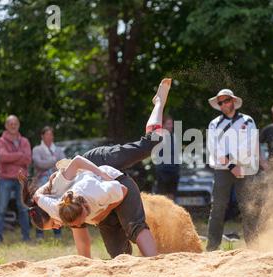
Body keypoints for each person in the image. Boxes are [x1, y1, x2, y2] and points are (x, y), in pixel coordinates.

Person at [20, 78, 172, 258]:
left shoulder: (57, 191)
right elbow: (82, 242)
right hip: (92, 188)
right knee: (115, 242)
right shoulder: (64, 211)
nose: (57, 227)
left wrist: (100, 173)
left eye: (52, 224)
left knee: (149, 146)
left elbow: (77, 162)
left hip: (93, 164)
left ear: (49, 209)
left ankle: (159, 102)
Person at [206, 88, 259, 251]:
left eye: (226, 101)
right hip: (223, 169)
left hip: (245, 168)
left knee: (248, 207)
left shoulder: (248, 121)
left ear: (233, 101)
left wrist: (236, 162)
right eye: (220, 102)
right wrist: (231, 165)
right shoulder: (214, 124)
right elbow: (214, 148)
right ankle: (212, 248)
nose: (223, 104)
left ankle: (254, 247)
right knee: (218, 208)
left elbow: (250, 144)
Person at [0, 115, 32, 243]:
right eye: (10, 123)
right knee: (1, 208)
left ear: (18, 125)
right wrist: (20, 155)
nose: (13, 125)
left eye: (15, 123)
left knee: (23, 208)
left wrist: (13, 158)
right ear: (6, 126)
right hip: (5, 178)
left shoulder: (25, 141)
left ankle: (26, 237)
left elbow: (28, 159)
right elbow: (3, 157)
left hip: (21, 178)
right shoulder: (1, 141)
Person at [32, 126, 66, 240]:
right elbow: (39, 164)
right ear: (42, 136)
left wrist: (49, 162)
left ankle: (58, 234)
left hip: (56, 182)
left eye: (51, 134)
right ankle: (39, 234)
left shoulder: (58, 149)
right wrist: (53, 161)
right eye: (47, 134)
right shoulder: (37, 149)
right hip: (41, 183)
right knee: (40, 207)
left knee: (57, 205)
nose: (50, 136)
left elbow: (64, 164)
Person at [154, 115, 180, 200]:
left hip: (173, 171)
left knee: (172, 196)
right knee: (162, 197)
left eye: (171, 123)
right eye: (168, 124)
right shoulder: (159, 137)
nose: (171, 126)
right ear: (163, 125)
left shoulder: (174, 137)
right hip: (163, 171)